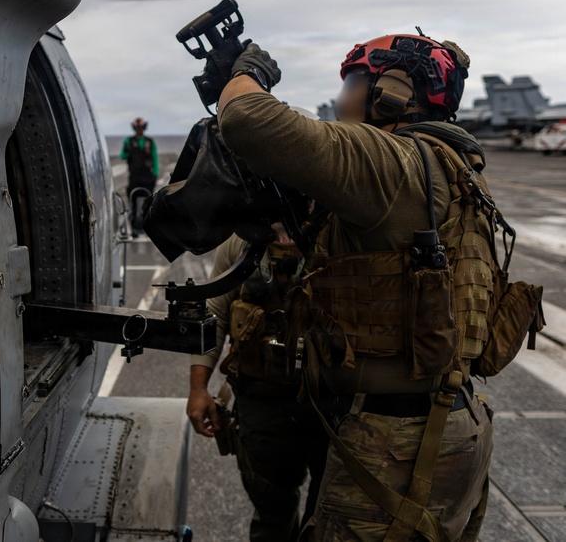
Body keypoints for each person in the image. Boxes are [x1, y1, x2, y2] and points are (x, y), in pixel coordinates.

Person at [214, 35, 503, 540]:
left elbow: (246, 119)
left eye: (352, 83)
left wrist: (248, 73)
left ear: (391, 92)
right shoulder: (453, 167)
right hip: (453, 422)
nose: (342, 97)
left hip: (397, 441)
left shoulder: (392, 162)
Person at [187, 224, 328, 541]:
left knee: (327, 515)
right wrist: (198, 388)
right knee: (271, 511)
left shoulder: (338, 228)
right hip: (261, 400)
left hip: (328, 405)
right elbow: (216, 312)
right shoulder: (241, 239)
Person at [120, 117, 159, 234]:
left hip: (147, 175)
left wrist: (155, 174)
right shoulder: (128, 141)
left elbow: (154, 158)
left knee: (148, 200)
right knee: (133, 199)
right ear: (134, 128)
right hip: (134, 175)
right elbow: (122, 156)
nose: (139, 129)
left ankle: (148, 227)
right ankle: (134, 228)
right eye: (137, 127)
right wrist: (127, 151)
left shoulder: (150, 142)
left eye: (141, 127)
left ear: (144, 127)